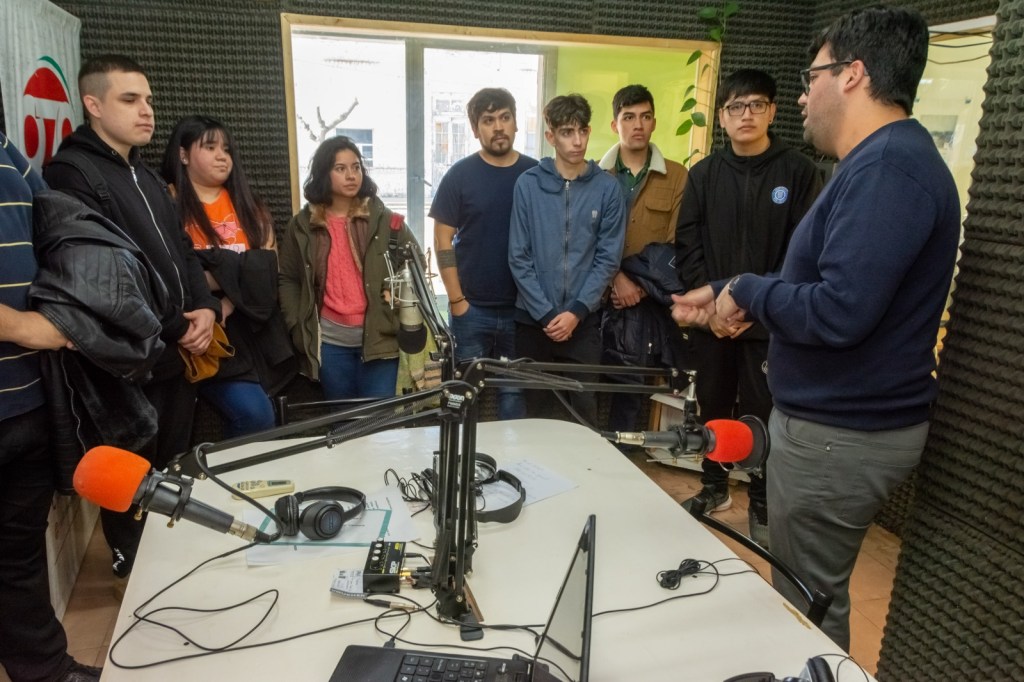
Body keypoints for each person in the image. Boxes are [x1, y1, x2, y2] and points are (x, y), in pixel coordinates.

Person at [671, 7, 960, 650]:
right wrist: (720, 291)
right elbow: (824, 288)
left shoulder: (889, 169)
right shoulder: (878, 162)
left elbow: (839, 311)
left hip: (842, 435)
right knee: (803, 589)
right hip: (832, 426)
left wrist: (744, 289)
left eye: (811, 77)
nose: (802, 95)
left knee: (807, 602)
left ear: (852, 75)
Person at [44, 55, 221, 583]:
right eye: (130, 100)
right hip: (129, 358)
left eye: (147, 100)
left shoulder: (144, 174)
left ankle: (166, 560)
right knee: (131, 470)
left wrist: (206, 311)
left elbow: (183, 254)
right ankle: (134, 564)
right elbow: (100, 278)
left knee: (170, 461)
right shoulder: (71, 173)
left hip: (176, 349)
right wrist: (173, 326)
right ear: (92, 105)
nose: (147, 112)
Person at [674, 69, 822, 548]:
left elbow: (804, 253)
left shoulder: (799, 173)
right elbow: (688, 246)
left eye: (757, 105)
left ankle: (761, 496)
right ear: (722, 117)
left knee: (762, 411)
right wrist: (714, 310)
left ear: (773, 111)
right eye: (736, 107)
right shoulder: (704, 174)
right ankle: (714, 486)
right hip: (712, 324)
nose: (746, 115)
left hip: (768, 324)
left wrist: (758, 308)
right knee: (714, 404)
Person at [0, 132, 102, 682]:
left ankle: (43, 669)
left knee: (19, 550)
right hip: (26, 351)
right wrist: (21, 326)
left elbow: (61, 227)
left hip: (27, 395)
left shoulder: (6, 151)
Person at [161, 115, 296, 437]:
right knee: (255, 415)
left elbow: (266, 269)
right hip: (196, 334)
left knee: (268, 415)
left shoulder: (250, 206)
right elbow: (177, 271)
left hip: (249, 325)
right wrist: (231, 276)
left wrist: (226, 291)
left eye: (226, 149)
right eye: (210, 147)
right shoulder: (166, 201)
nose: (223, 156)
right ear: (183, 155)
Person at [509, 94, 626, 425]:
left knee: (584, 410)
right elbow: (518, 256)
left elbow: (608, 258)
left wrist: (575, 312)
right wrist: (546, 314)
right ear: (550, 136)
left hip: (584, 320)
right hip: (533, 320)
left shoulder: (607, 189)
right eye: (566, 132)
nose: (577, 141)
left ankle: (584, 476)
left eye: (582, 131)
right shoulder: (528, 185)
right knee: (536, 412)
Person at [279, 136, 420, 400]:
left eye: (356, 167)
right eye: (340, 169)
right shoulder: (302, 225)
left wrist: (393, 293)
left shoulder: (385, 219)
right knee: (342, 425)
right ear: (324, 173)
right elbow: (288, 279)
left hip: (380, 339)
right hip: (330, 344)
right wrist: (297, 325)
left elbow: (415, 263)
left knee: (379, 424)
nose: (351, 175)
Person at [429, 88, 537, 419]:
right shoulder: (459, 176)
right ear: (475, 129)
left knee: (514, 393)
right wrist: (457, 301)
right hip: (471, 309)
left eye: (505, 117)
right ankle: (464, 468)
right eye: (488, 120)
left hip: (522, 311)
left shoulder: (536, 175)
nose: (498, 127)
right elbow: (442, 239)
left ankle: (511, 466)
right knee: (464, 396)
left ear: (517, 123)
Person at [597, 84, 688, 437]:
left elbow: (676, 242)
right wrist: (615, 278)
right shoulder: (595, 174)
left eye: (645, 117)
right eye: (629, 117)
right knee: (593, 379)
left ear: (654, 123)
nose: (638, 125)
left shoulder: (677, 175)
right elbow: (587, 240)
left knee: (634, 386)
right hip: (599, 295)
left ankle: (624, 453)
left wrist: (639, 286)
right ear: (614, 124)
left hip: (647, 300)